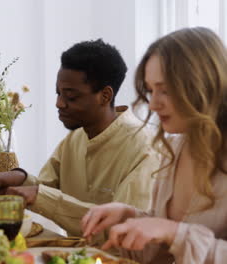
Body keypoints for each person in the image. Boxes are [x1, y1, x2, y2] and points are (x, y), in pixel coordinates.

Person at [81, 27, 227, 264]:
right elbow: (169, 244)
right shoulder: (176, 148)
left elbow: (176, 234)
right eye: (150, 90)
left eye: (166, 90)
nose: (153, 105)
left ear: (205, 85)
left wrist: (172, 233)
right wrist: (129, 216)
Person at [0, 39, 159, 238]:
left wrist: (38, 195)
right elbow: (45, 188)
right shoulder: (75, 139)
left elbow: (123, 228)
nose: (59, 103)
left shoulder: (144, 146)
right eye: (58, 93)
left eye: (71, 96)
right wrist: (18, 178)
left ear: (105, 95)